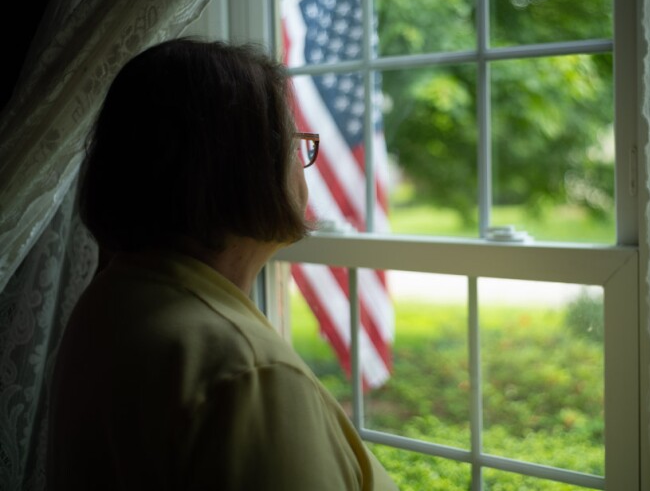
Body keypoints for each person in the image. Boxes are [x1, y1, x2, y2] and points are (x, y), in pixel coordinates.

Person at [48, 38, 398, 491]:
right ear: (245, 165)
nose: (303, 164)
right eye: (296, 143)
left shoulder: (114, 299)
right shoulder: (248, 374)